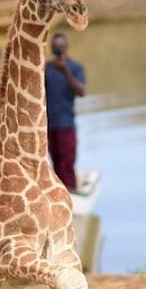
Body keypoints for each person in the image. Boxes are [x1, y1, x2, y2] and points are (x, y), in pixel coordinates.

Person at [44, 33, 86, 191]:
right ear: (51, 48)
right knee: (55, 163)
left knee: (67, 162)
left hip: (66, 123)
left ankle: (71, 193)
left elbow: (81, 91)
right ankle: (59, 193)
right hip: (49, 124)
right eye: (56, 46)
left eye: (61, 46)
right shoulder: (45, 68)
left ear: (67, 48)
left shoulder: (75, 68)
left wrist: (65, 72)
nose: (59, 49)